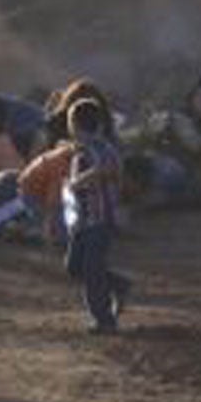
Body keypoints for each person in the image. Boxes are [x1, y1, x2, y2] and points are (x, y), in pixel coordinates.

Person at [61, 97, 130, 334]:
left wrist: (77, 182)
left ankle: (104, 319)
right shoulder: (81, 150)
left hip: (99, 219)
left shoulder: (99, 148)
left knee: (91, 269)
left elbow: (107, 170)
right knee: (75, 266)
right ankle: (118, 284)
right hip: (83, 220)